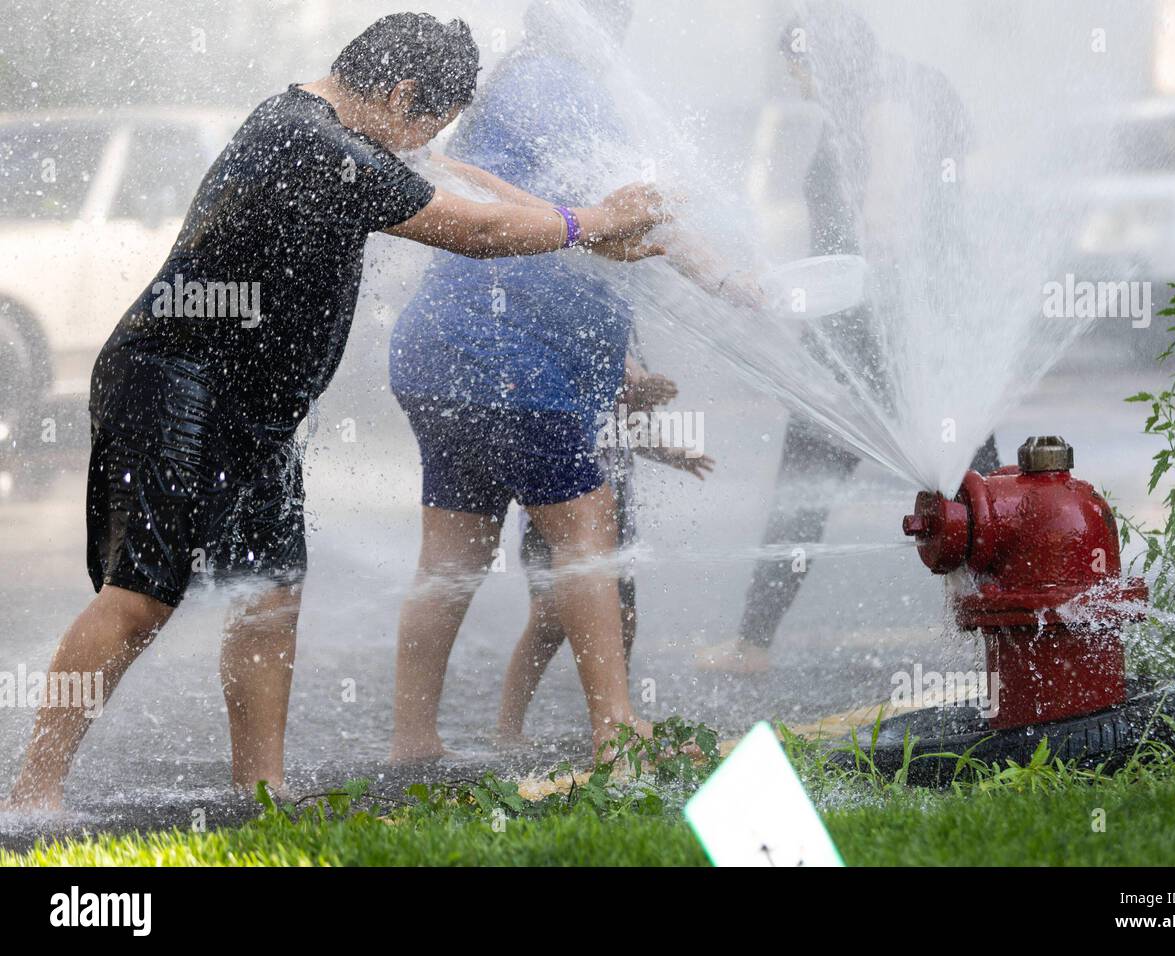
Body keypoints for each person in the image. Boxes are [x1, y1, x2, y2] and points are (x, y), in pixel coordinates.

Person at [2, 12, 666, 812]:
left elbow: (470, 186)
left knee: (270, 596)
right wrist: (590, 222)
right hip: (175, 379)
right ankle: (32, 793)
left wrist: (589, 237)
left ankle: (262, 791)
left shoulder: (343, 132)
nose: (421, 145)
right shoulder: (311, 140)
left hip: (258, 403)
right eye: (426, 124)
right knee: (141, 593)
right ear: (402, 92)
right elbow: (476, 229)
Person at [387, 0, 741, 764]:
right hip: (508, 356)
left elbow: (566, 230)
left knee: (453, 557)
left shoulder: (520, 82)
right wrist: (732, 280)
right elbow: (628, 207)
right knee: (586, 532)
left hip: (444, 350)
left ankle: (412, 740)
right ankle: (615, 729)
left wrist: (621, 365)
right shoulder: (559, 82)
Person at [697, 8, 998, 675]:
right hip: (907, 322)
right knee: (972, 476)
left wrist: (849, 296)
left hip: (868, 328)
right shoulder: (905, 90)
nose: (798, 85)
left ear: (824, 61)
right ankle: (1003, 620)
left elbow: (883, 220)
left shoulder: (881, 109)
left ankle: (753, 644)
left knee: (810, 475)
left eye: (799, 70)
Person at [497, 355, 714, 743]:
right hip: (553, 518)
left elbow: (627, 428)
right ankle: (507, 728)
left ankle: (615, 717)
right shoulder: (567, 338)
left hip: (614, 521)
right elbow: (571, 414)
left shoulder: (622, 337)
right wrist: (633, 390)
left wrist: (673, 454)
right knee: (548, 623)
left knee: (623, 621)